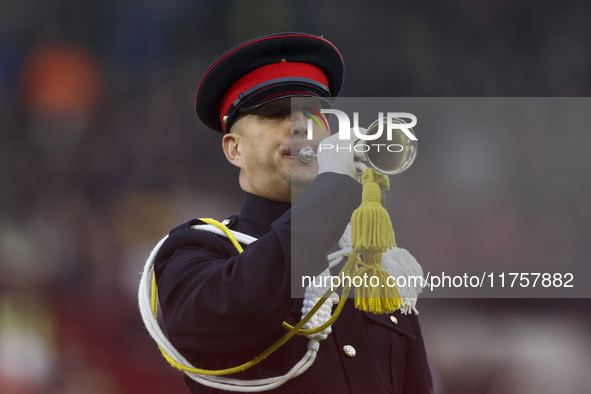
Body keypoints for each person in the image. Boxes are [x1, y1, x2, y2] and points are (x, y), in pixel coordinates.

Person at [141, 32, 433, 393]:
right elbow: (240, 307)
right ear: (234, 150)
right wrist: (332, 191)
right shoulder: (195, 251)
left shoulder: (373, 268)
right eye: (274, 114)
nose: (299, 126)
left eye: (313, 113)